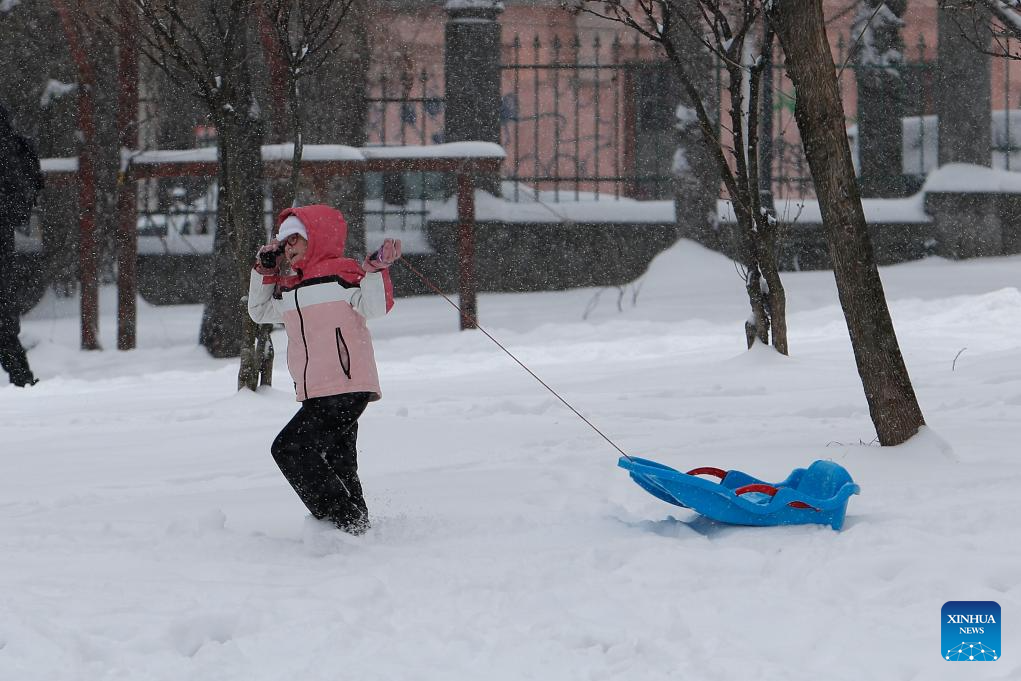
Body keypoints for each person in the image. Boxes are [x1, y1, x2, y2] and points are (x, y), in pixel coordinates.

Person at [248, 204, 401, 534]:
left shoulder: (342, 276)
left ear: (315, 238)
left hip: (346, 386)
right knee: (338, 462)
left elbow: (375, 307)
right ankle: (356, 529)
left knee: (289, 449)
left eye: (294, 240)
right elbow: (259, 312)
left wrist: (375, 271)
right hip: (315, 391)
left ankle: (340, 524)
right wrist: (264, 271)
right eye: (283, 242)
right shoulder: (291, 290)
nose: (287, 249)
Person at [0, 103, 43, 388]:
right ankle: (23, 381)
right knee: (3, 320)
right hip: (3, 231)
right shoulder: (9, 139)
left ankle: (22, 380)